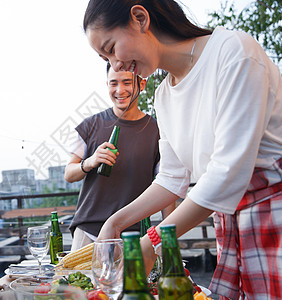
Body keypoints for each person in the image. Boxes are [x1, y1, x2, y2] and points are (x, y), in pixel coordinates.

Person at [83, 0, 281, 299]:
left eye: (111, 48)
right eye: (105, 59)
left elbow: (227, 174)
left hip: (273, 218)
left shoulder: (233, 52)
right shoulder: (164, 95)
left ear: (139, 18)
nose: (115, 64)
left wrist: (153, 242)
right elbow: (171, 178)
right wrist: (115, 222)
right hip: (230, 226)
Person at [65, 63, 173, 251]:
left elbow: (168, 184)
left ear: (142, 84)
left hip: (133, 235)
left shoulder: (157, 130)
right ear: (107, 85)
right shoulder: (91, 125)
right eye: (113, 83)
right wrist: (90, 162)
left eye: (127, 82)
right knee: (79, 281)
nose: (119, 90)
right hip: (89, 230)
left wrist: (170, 236)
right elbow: (69, 173)